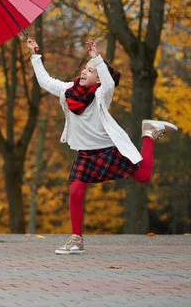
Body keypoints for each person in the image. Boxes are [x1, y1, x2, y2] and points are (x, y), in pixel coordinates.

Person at [26, 38, 177, 255]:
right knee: (75, 192)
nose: (85, 72)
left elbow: (108, 83)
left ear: (98, 79)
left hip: (108, 149)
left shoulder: (100, 94)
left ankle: (149, 133)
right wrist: (35, 55)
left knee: (144, 177)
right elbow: (46, 82)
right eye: (85, 69)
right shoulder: (69, 90)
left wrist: (97, 58)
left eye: (91, 70)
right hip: (86, 154)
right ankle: (76, 241)